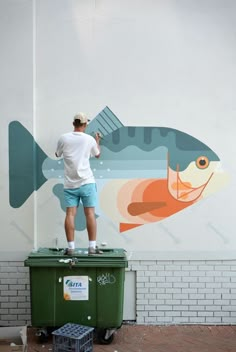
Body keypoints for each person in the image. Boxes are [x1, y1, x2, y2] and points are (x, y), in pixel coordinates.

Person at [55, 112, 102, 255]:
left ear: (73, 123)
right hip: (87, 182)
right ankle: (92, 247)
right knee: (90, 214)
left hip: (70, 184)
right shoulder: (89, 140)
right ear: (85, 124)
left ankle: (70, 248)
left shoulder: (63, 138)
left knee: (70, 214)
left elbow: (57, 154)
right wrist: (97, 140)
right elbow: (98, 154)